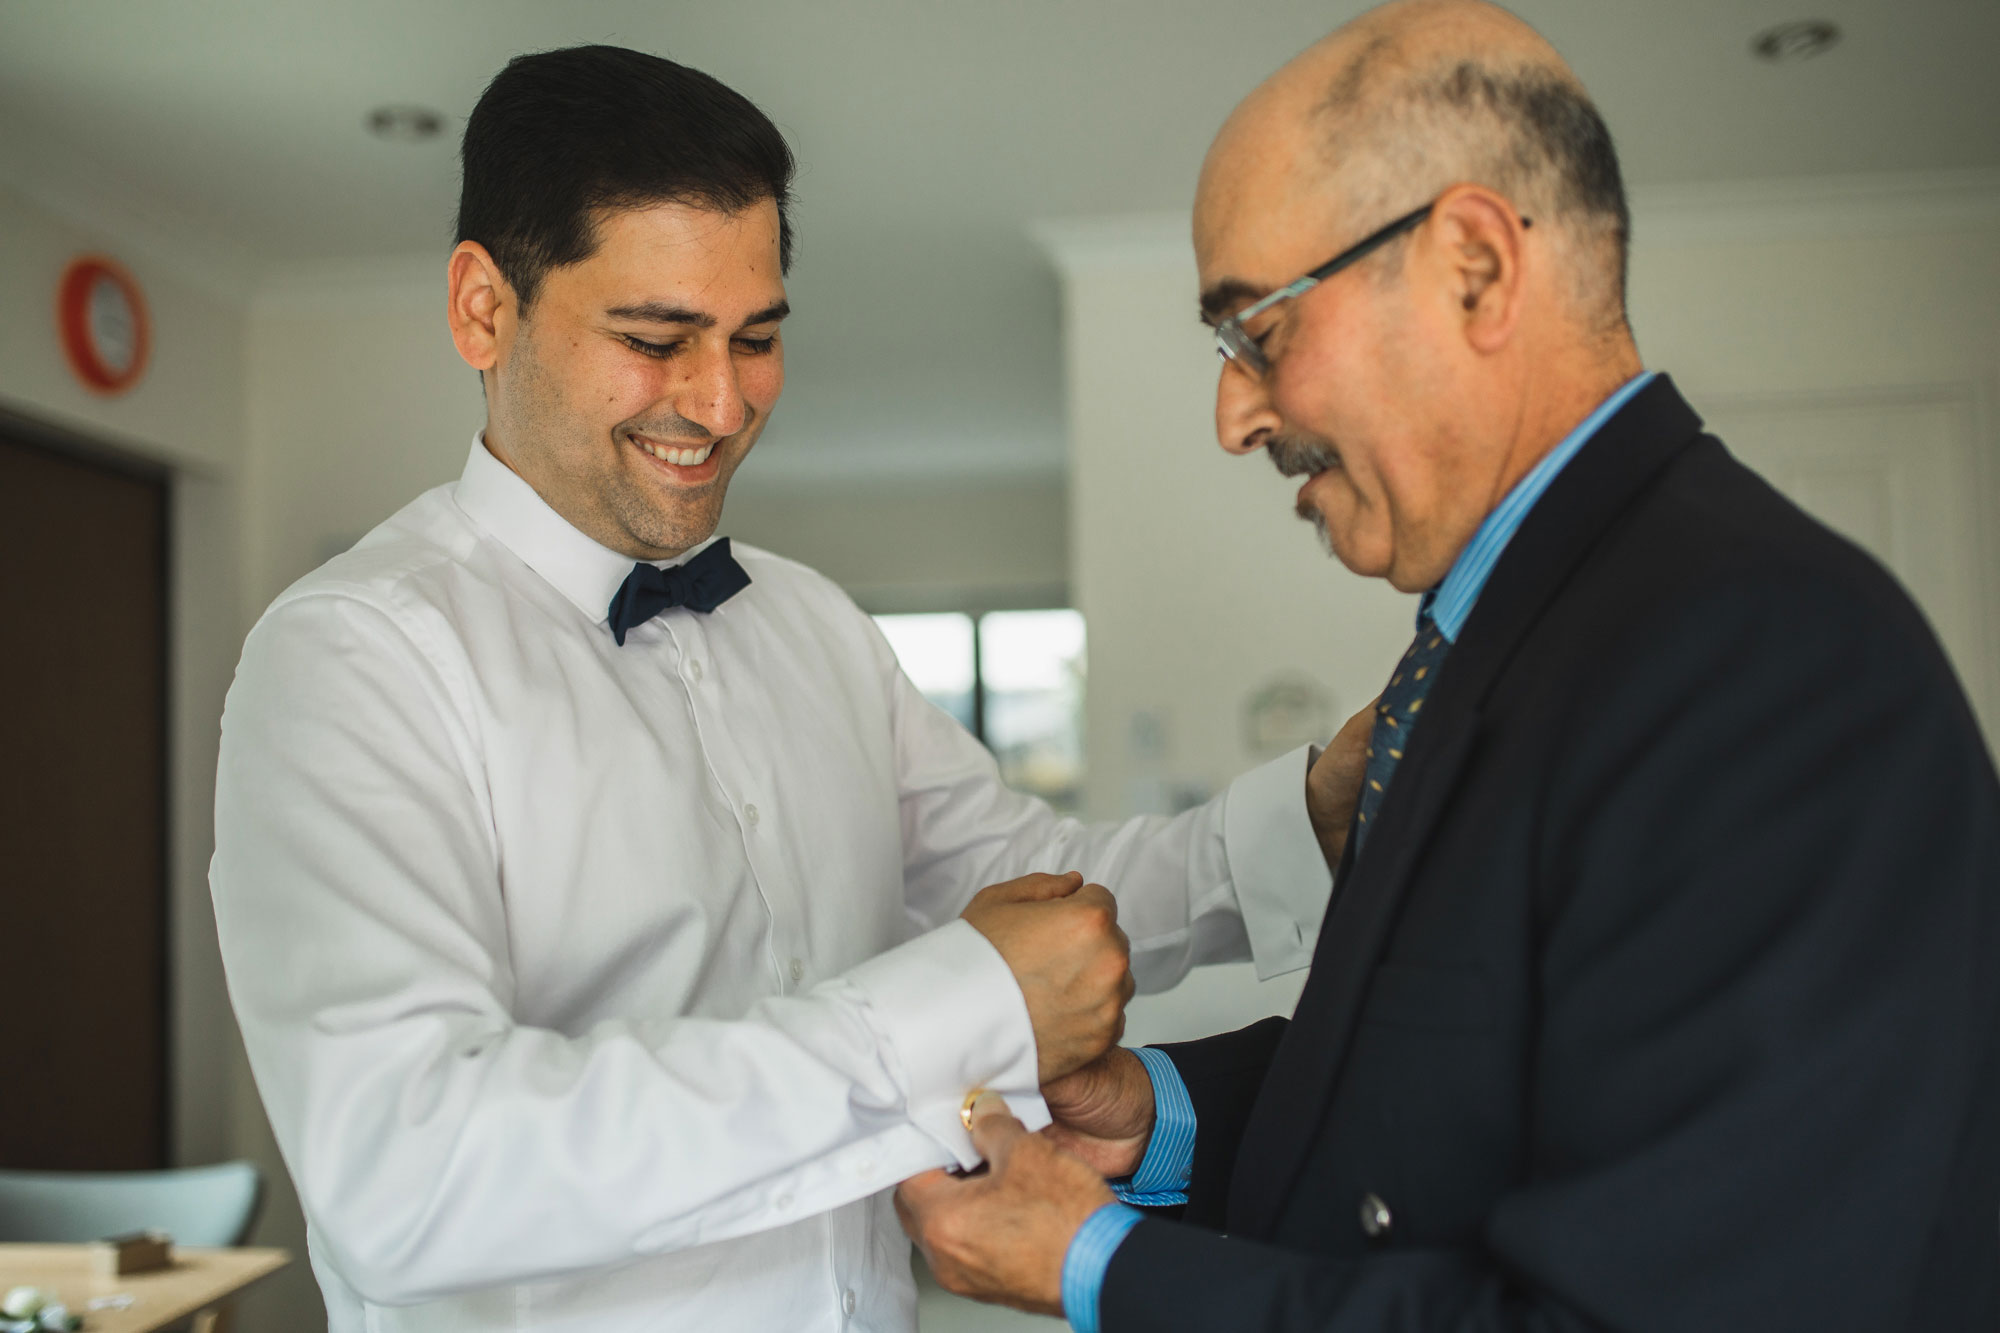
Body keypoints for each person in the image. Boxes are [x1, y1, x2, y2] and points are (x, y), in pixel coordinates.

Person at [208, 45, 1369, 1333]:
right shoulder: (352, 659)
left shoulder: (813, 624)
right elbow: (408, 1170)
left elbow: (1043, 875)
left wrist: (1312, 818)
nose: (719, 402)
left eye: (755, 338)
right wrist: (959, 1010)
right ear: (485, 307)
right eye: (656, 339)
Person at [893, 2, 2000, 1329]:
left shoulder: (1772, 659)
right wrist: (1167, 1114)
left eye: (1258, 330)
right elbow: (1466, 1087)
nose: (1235, 412)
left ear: (1474, 268)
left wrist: (1102, 1264)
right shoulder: (1504, 635)